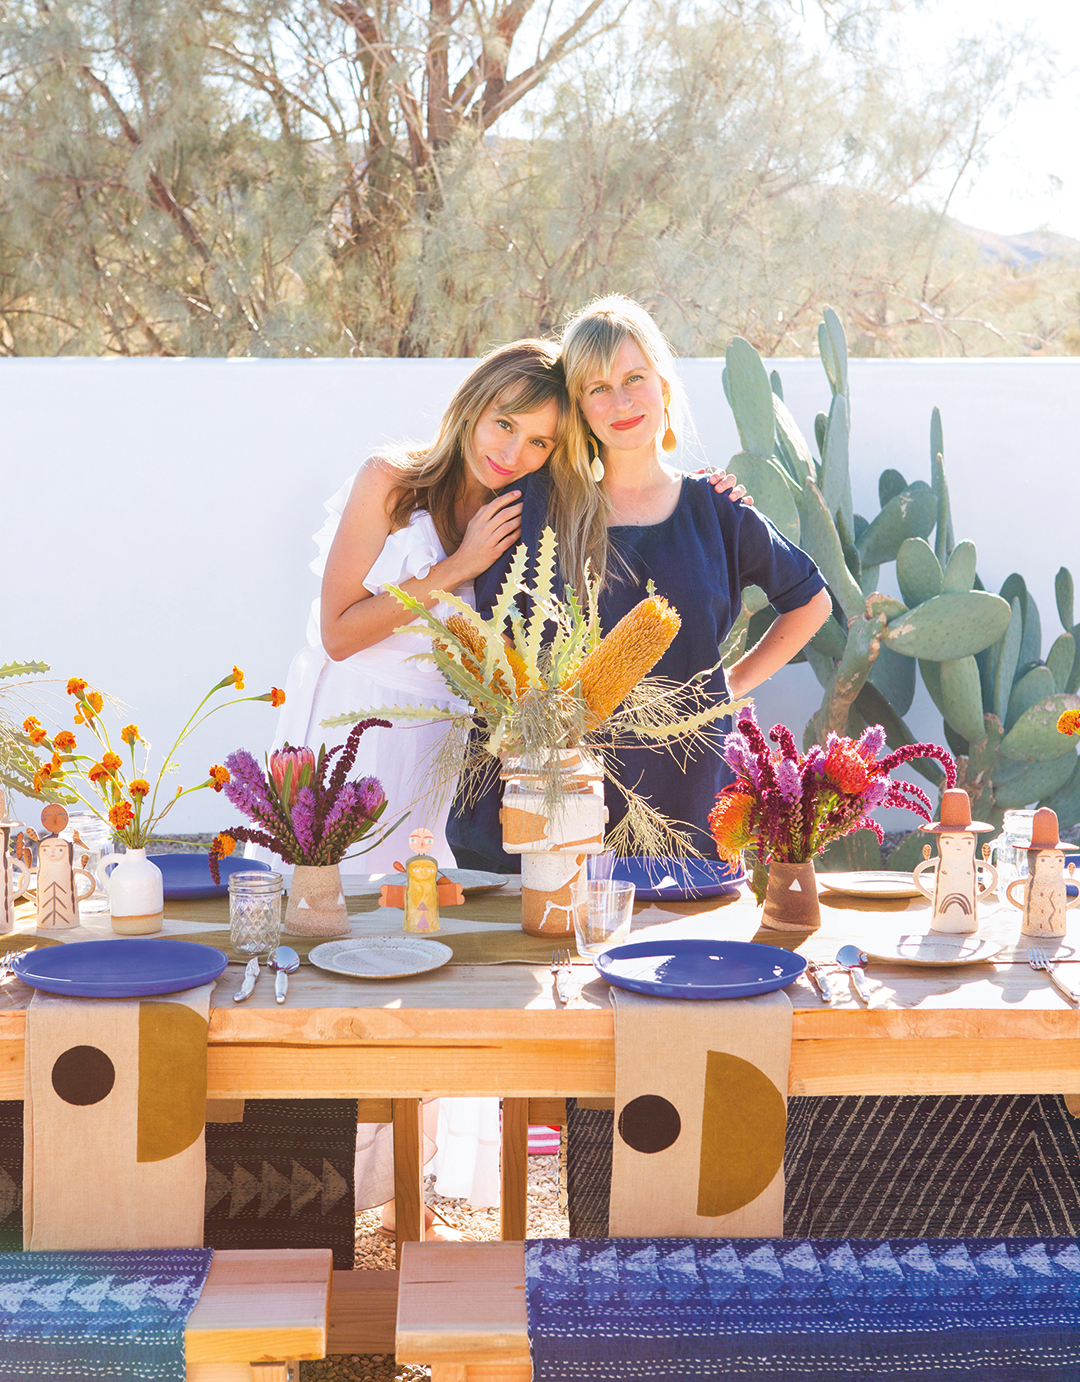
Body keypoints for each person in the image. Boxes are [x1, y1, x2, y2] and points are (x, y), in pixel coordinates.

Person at [265, 339, 571, 1235]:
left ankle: (409, 1197)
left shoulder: (523, 512)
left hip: (427, 752)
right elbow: (338, 630)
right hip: (345, 737)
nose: (511, 451)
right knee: (325, 940)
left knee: (415, 955)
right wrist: (451, 569)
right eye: (504, 423)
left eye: (539, 442)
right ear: (472, 404)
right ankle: (306, 1192)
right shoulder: (391, 479)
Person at [448, 294, 831, 874]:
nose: (621, 401)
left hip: (685, 795)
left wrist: (732, 683)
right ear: (578, 407)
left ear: (665, 386)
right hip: (555, 792)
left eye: (634, 378)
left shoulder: (717, 510)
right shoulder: (535, 507)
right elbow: (494, 646)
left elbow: (811, 601)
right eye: (598, 388)